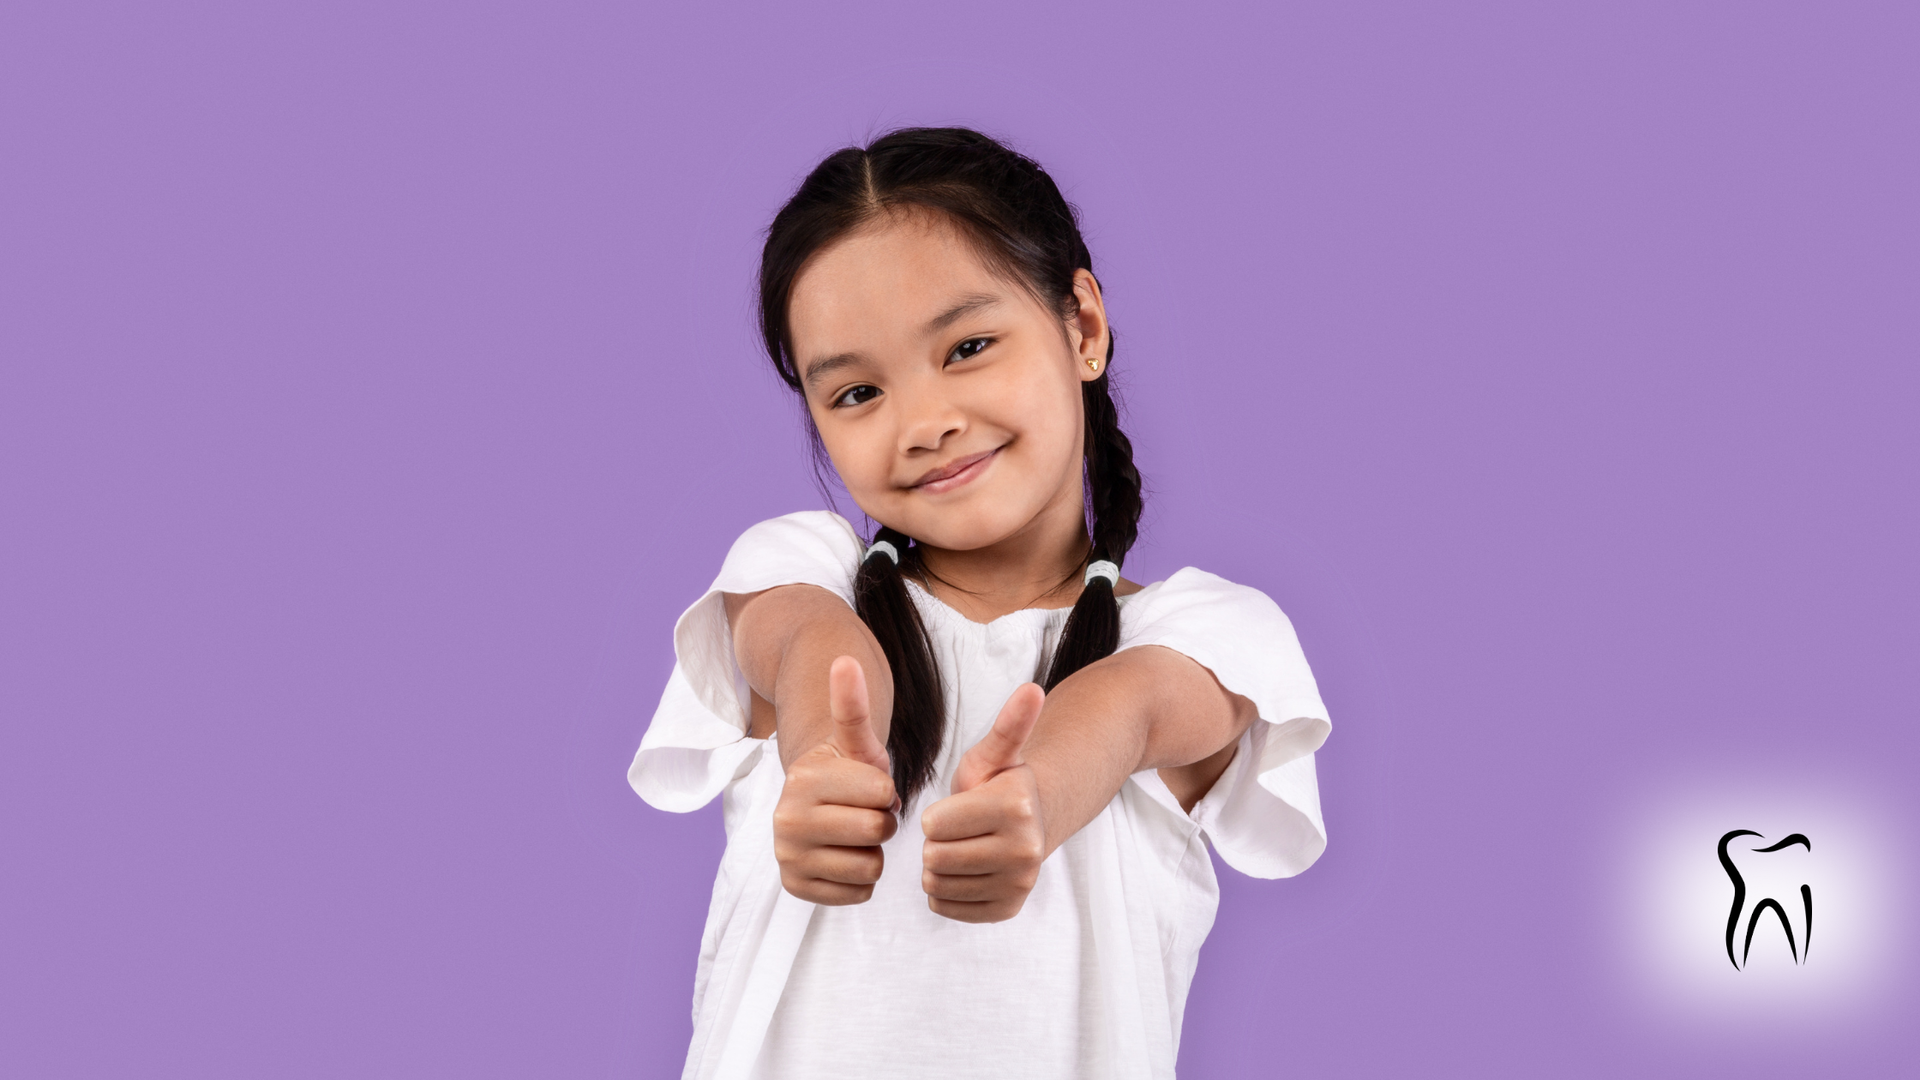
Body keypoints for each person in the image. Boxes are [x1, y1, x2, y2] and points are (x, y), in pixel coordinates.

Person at [628, 127, 1331, 1080]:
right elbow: (812, 652)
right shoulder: (799, 565)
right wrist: (825, 761)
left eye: (967, 346)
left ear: (1082, 326)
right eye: (857, 391)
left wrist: (1033, 801)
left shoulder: (1206, 630)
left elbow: (1127, 710)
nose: (924, 424)